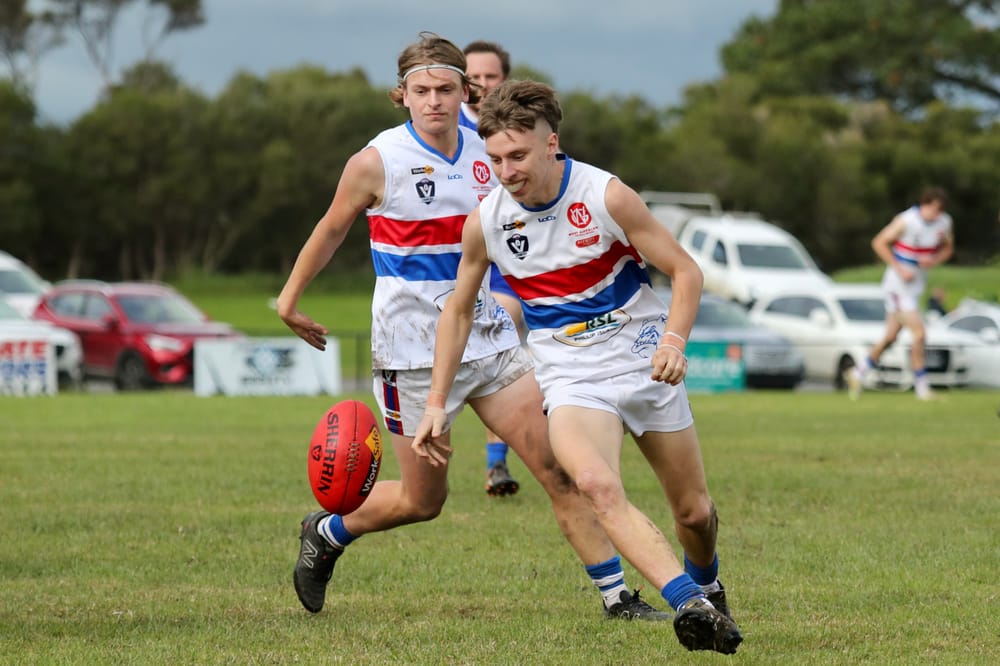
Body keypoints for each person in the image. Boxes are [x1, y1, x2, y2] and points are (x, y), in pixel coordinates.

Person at [277, 33, 667, 624]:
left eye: (445, 89)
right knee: (421, 501)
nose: (434, 101)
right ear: (401, 95)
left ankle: (618, 599)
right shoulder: (375, 161)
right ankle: (328, 532)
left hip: (488, 339)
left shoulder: (492, 150)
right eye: (421, 90)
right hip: (410, 353)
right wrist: (289, 298)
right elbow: (331, 228)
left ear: (468, 90)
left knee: (559, 471)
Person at [412, 79, 744, 655]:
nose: (506, 171)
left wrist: (673, 341)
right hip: (570, 373)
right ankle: (689, 604)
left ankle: (709, 583)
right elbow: (458, 311)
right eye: (493, 159)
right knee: (594, 483)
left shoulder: (606, 195)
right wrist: (436, 403)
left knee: (693, 511)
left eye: (518, 155)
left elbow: (686, 272)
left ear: (551, 143)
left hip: (644, 357)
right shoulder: (486, 220)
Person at [461, 39, 524, 496]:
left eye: (491, 77)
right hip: (458, 262)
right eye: (475, 78)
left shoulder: (522, 133)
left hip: (508, 259)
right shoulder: (446, 132)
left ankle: (496, 463)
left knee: (501, 329)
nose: (483, 85)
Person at [846, 187, 955, 400]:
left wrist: (933, 260)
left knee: (891, 337)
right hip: (897, 286)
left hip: (915, 287)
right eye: (934, 208)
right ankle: (922, 388)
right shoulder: (906, 220)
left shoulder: (944, 222)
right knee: (920, 333)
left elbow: (948, 249)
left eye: (941, 210)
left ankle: (857, 373)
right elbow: (878, 242)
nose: (937, 214)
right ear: (924, 204)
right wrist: (899, 268)